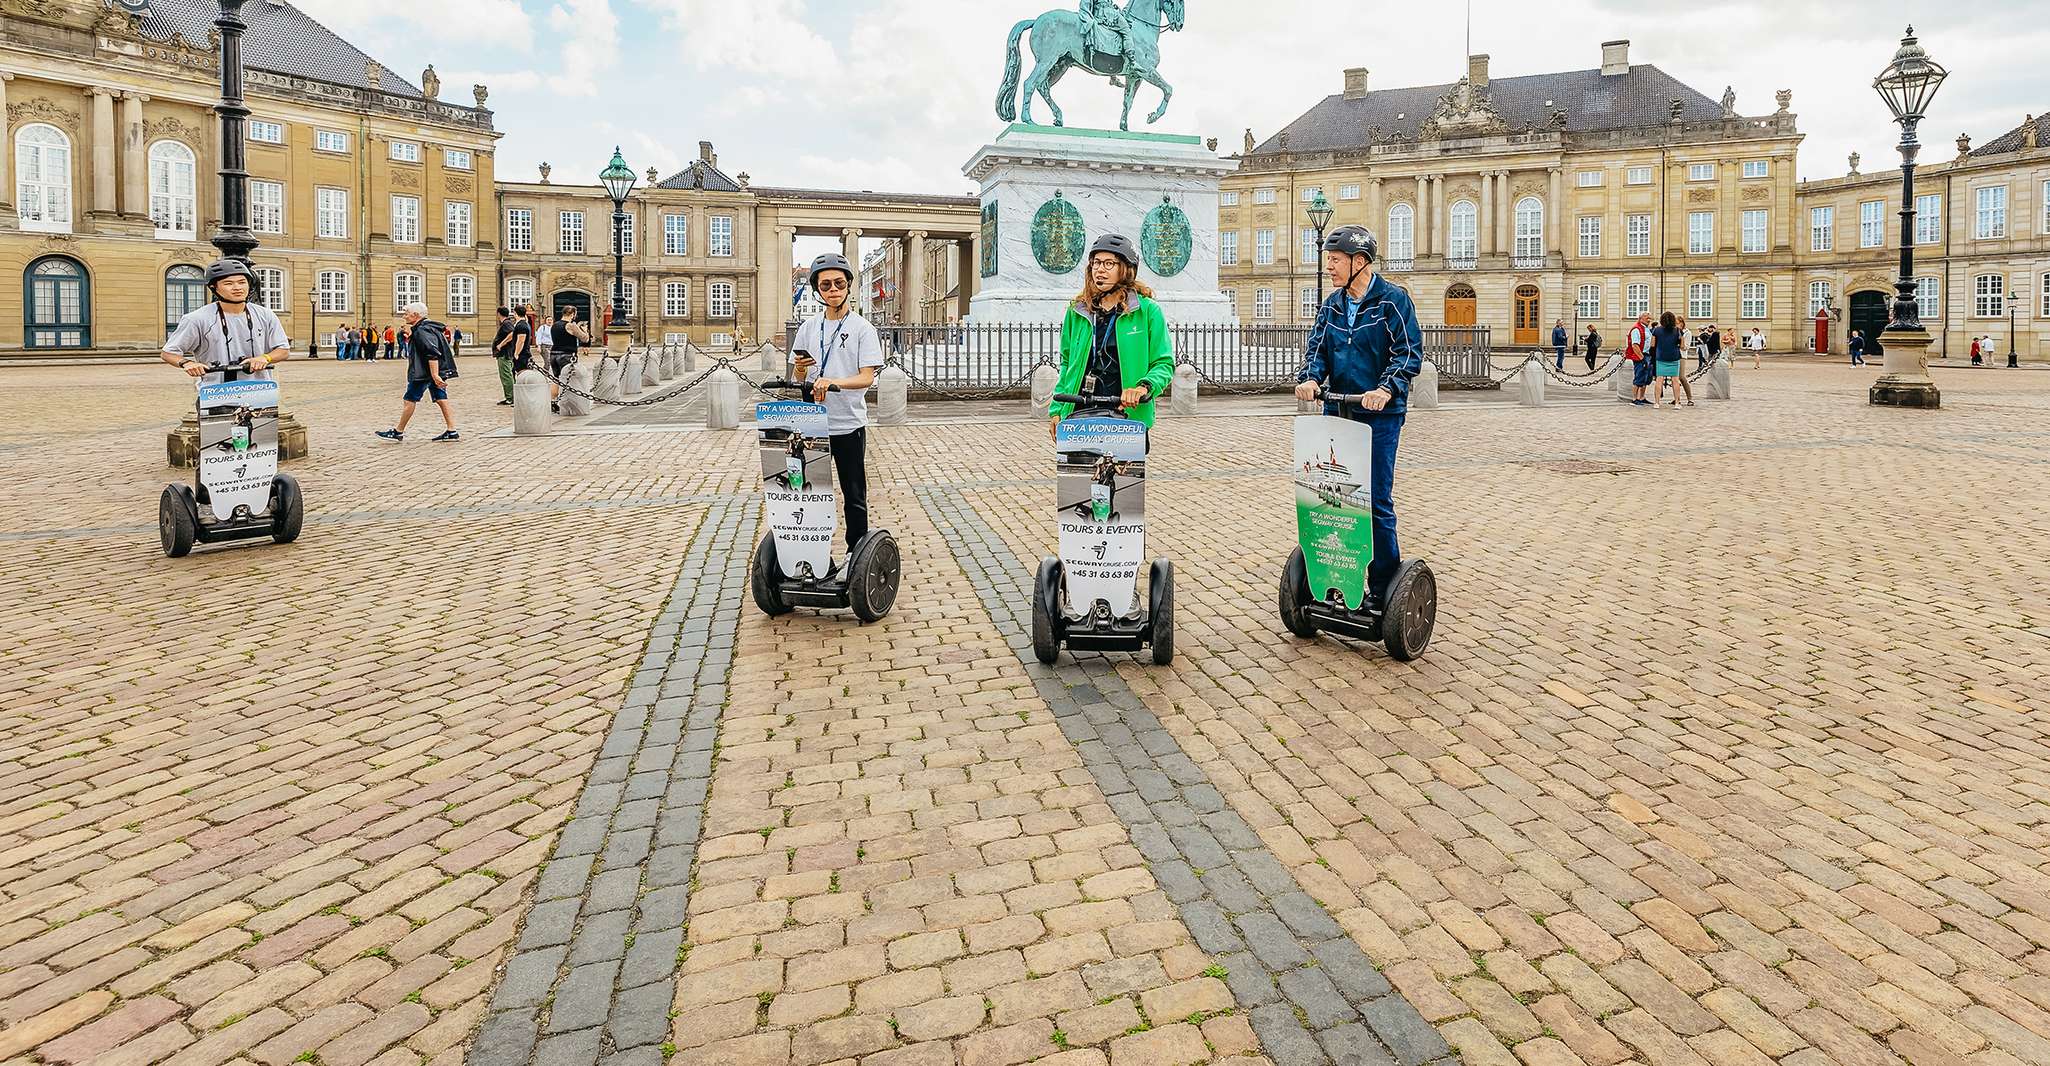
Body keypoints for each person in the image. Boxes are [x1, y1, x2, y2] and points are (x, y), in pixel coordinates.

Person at [1292, 224, 1422, 613]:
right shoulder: (1331, 305)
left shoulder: (1392, 301)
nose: (1328, 267)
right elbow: (1318, 349)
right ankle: (1335, 577)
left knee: (1375, 501)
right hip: (1338, 410)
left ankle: (1382, 586)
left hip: (1380, 418)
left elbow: (1407, 353)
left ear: (1359, 262)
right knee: (1333, 500)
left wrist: (1386, 388)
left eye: (1335, 260)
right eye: (1328, 259)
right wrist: (1311, 378)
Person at [789, 253, 887, 550]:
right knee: (810, 491)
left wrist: (833, 383)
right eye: (826, 285)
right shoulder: (808, 328)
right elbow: (797, 374)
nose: (833, 290)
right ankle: (812, 550)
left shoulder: (861, 328)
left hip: (848, 426)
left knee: (854, 495)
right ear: (818, 290)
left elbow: (866, 377)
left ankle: (855, 552)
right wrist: (802, 369)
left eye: (839, 284)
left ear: (848, 287)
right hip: (814, 426)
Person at [1051, 234, 1175, 443]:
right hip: (1080, 408)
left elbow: (1163, 363)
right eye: (1096, 263)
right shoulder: (1077, 311)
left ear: (1125, 269)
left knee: (1123, 475)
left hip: (1126, 411)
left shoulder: (1147, 312)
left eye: (1109, 263)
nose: (1100, 269)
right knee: (1077, 475)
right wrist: (1056, 410)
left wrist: (1143, 387)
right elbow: (1066, 362)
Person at [161, 259, 291, 385]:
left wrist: (265, 358)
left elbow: (283, 350)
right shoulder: (197, 318)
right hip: (216, 393)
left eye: (242, 282)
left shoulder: (265, 315)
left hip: (258, 390)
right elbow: (168, 353)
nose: (237, 288)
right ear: (214, 287)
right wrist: (187, 363)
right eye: (228, 283)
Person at [375, 303, 459, 442]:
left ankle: (398, 432)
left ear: (416, 315)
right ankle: (452, 430)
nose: (404, 316)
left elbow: (432, 353)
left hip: (423, 373)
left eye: (406, 313)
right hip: (430, 372)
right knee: (441, 399)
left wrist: (434, 374)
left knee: (409, 400)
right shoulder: (428, 327)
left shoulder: (423, 330)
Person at [548, 306, 588, 412]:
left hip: (553, 354)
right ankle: (569, 403)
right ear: (573, 314)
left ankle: (552, 402)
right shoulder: (570, 325)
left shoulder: (554, 325)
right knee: (570, 380)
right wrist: (584, 330)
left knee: (556, 379)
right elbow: (584, 338)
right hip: (566, 355)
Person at [491, 306, 530, 406]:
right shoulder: (513, 323)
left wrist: (501, 344)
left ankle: (511, 397)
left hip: (505, 354)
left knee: (506, 375)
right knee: (510, 375)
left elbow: (515, 336)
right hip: (508, 353)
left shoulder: (508, 323)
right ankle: (512, 397)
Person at [1648, 311, 1684, 409]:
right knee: (1675, 380)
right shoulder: (1678, 330)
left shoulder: (1656, 330)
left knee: (1659, 380)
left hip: (1661, 357)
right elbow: (1682, 346)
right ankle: (1677, 403)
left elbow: (1652, 345)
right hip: (1674, 357)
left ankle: (1657, 403)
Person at [1627, 312, 1654, 406]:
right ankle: (1634, 398)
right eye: (1647, 318)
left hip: (1647, 355)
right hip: (1641, 356)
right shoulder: (1636, 329)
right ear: (1640, 318)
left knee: (1646, 377)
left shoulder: (1646, 329)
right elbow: (1635, 345)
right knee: (1639, 376)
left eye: (1650, 318)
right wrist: (1641, 358)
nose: (1649, 320)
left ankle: (1641, 397)